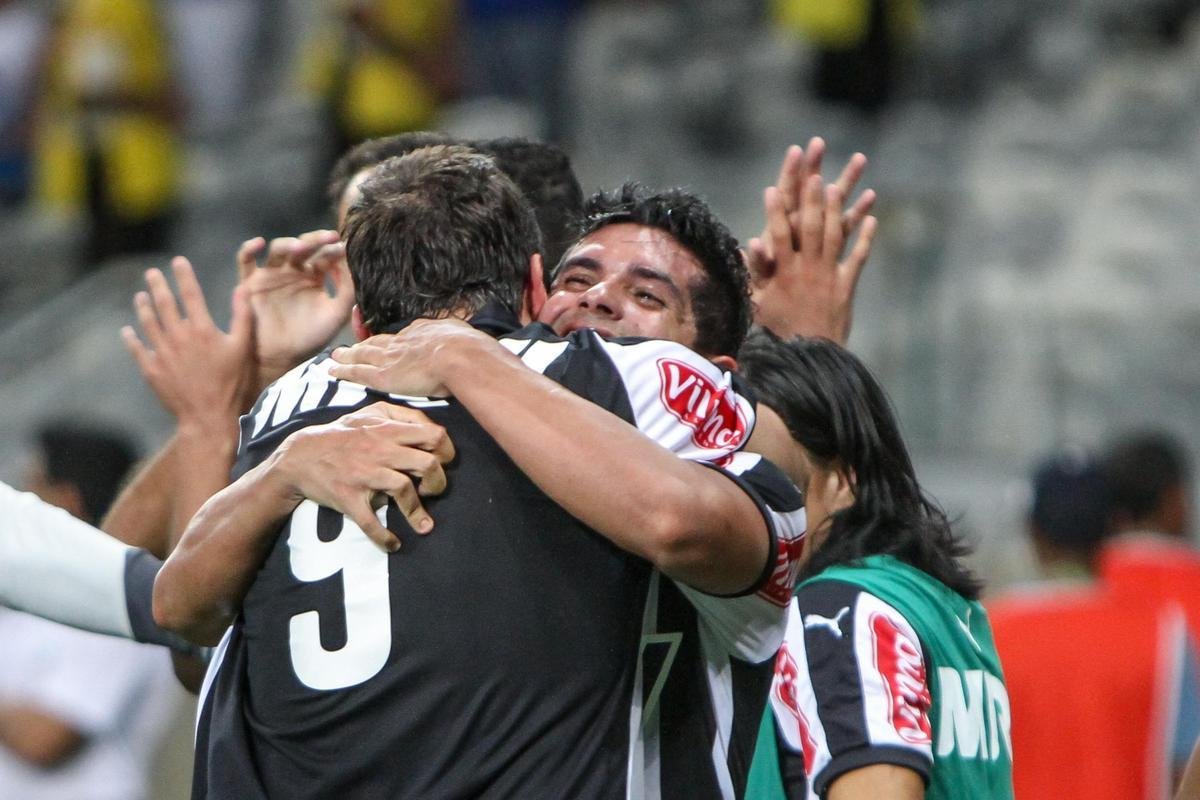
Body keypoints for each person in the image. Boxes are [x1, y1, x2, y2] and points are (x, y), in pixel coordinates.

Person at [154, 146, 806, 799]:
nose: (599, 303)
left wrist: (462, 358)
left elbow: (177, 617)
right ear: (535, 291)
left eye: (645, 293)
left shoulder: (293, 398)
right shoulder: (618, 376)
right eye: (575, 281)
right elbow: (178, 616)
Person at [739, 331, 1013, 800]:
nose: (745, 502)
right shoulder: (944, 610)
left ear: (844, 482)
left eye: (770, 477)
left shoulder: (840, 612)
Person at [986, 450, 1199, 800]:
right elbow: (1185, 769)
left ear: (1033, 530)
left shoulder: (986, 631)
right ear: (1112, 527)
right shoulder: (1166, 633)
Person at [0, 423, 178, 800]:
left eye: (33, 486)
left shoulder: (116, 605)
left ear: (67, 500)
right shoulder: (35, 599)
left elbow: (44, 740)